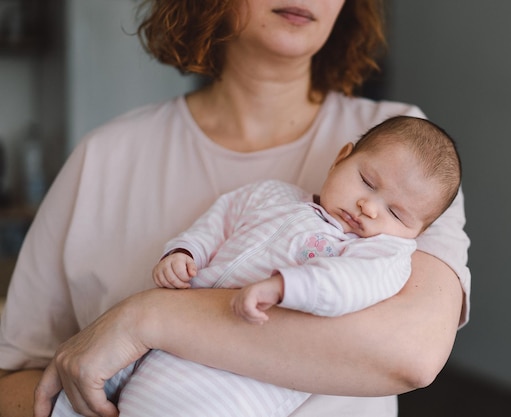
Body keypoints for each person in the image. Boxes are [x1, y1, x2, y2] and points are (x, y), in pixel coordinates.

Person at [0, 1, 471, 417]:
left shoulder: (408, 152)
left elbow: (411, 353)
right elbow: (13, 377)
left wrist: (144, 318)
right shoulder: (104, 156)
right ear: (343, 157)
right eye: (366, 183)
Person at [49, 115, 462, 417]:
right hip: (156, 353)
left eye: (396, 213)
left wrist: (287, 287)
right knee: (77, 393)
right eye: (367, 182)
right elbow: (221, 219)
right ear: (342, 158)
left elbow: (350, 284)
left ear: (418, 232)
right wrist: (186, 253)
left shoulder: (382, 254)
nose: (368, 208)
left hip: (235, 385)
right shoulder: (273, 195)